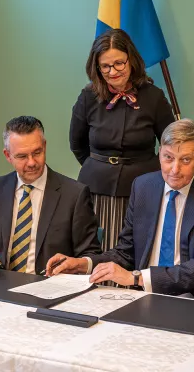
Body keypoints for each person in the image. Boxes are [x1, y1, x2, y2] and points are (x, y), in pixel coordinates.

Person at [50, 119, 194, 303]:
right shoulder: (143, 187)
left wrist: (136, 278)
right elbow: (126, 252)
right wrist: (84, 264)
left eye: (185, 160)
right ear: (159, 154)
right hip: (145, 297)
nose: (175, 169)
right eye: (168, 158)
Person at [69, 29, 175, 251]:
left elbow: (170, 145)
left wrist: (151, 175)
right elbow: (77, 145)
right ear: (96, 67)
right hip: (96, 188)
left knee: (133, 251)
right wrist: (100, 166)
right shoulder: (88, 96)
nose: (113, 71)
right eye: (105, 66)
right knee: (97, 251)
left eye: (119, 63)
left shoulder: (154, 96)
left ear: (131, 60)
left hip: (142, 188)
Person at [0, 116, 101, 274]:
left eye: (37, 152)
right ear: (8, 155)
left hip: (50, 288)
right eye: (22, 156)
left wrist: (75, 264)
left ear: (45, 146)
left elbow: (91, 255)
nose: (31, 162)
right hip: (2, 286)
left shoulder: (74, 194)